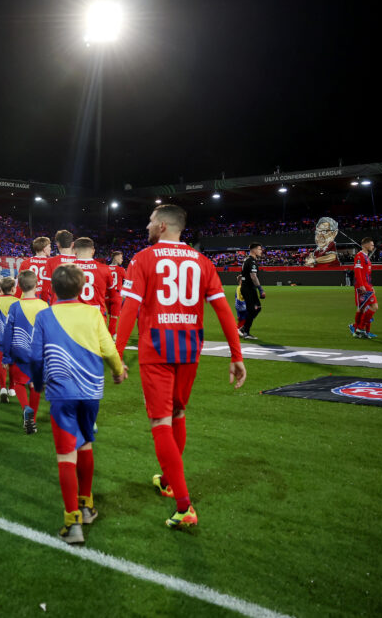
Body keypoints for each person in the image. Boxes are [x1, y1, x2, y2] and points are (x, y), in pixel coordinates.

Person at [114, 204, 246, 530]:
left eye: (148, 220)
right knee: (177, 414)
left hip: (156, 349)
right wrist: (236, 355)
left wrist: (116, 354)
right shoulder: (202, 262)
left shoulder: (143, 258)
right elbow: (223, 310)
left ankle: (184, 505)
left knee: (160, 421)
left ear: (161, 226)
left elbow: (129, 309)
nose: (146, 224)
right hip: (189, 350)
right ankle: (170, 482)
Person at [30, 264, 127, 544]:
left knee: (65, 455)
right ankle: (86, 507)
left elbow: (36, 358)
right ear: (82, 286)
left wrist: (38, 383)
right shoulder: (93, 313)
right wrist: (118, 371)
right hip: (91, 390)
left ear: (52, 289)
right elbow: (108, 348)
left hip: (62, 392)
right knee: (85, 443)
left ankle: (72, 523)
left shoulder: (46, 316)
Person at [1, 269, 49, 433]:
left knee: (19, 383)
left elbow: (8, 332)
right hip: (38, 353)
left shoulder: (15, 306)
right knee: (35, 385)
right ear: (36, 285)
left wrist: (6, 356)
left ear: (19, 286)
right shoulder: (44, 305)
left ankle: (26, 408)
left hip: (19, 350)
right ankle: (32, 420)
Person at [69, 238, 120, 326]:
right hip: (97, 317)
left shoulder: (66, 268)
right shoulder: (105, 269)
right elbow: (113, 295)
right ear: (93, 251)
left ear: (74, 251)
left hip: (74, 318)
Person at [0, 277, 19, 403]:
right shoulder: (17, 302)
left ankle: (2, 388)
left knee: (2, 361)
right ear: (13, 289)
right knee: (13, 363)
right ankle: (12, 387)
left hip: (0, 337)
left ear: (1, 289)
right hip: (13, 338)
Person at [349, 237, 379, 339]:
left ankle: (357, 328)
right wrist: (362, 285)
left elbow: (367, 274)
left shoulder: (366, 257)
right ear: (365, 245)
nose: (373, 246)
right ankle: (360, 329)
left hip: (367, 285)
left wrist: (371, 286)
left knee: (362, 309)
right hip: (362, 286)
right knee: (373, 307)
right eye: (371, 244)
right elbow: (357, 271)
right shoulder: (359, 256)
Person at [40, 230, 80, 305]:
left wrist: (44, 303)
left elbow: (45, 288)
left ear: (57, 244)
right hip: (77, 304)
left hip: (57, 304)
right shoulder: (79, 261)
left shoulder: (51, 261)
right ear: (72, 244)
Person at [239, 243, 265, 340]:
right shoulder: (252, 261)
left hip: (249, 287)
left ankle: (243, 328)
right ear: (253, 250)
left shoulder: (247, 260)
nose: (261, 251)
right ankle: (246, 332)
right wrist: (260, 289)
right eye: (259, 249)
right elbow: (253, 276)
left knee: (257, 308)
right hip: (248, 288)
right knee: (252, 309)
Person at [107, 251, 126, 337]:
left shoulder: (105, 268)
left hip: (106, 296)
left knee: (110, 316)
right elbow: (127, 282)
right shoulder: (121, 270)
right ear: (115, 257)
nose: (122, 259)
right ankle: (109, 336)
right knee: (114, 317)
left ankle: (113, 333)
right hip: (116, 296)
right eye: (121, 257)